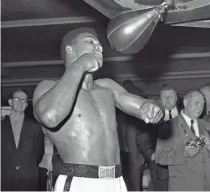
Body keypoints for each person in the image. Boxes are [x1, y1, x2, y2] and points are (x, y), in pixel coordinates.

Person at [32, 27, 163, 192]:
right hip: (80, 181)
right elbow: (50, 116)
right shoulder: (47, 88)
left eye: (100, 44)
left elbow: (143, 105)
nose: (99, 47)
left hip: (116, 180)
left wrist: (154, 107)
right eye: (90, 41)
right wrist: (80, 65)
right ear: (70, 50)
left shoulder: (107, 86)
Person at [155, 90, 210, 191]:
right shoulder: (168, 127)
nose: (200, 108)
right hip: (184, 187)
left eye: (202, 104)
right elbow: (160, 157)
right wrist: (184, 153)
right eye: (196, 103)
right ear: (185, 102)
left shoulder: (206, 125)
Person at [136, 85, 183, 191]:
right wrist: (151, 154)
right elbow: (141, 137)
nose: (167, 100)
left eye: (170, 97)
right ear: (160, 99)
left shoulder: (185, 114)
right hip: (159, 168)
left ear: (176, 98)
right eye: (164, 97)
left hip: (184, 166)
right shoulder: (151, 115)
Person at [1, 89, 45, 191]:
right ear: (10, 102)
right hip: (5, 180)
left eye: (24, 100)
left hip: (29, 179)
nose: (21, 102)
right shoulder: (1, 126)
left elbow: (39, 154)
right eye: (17, 99)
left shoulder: (35, 127)